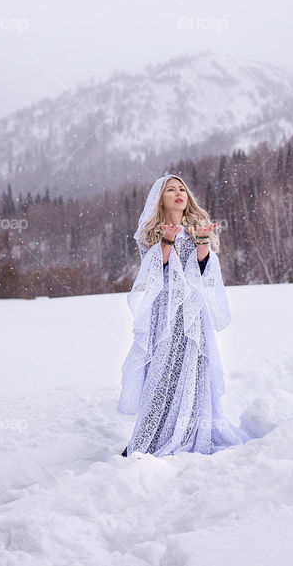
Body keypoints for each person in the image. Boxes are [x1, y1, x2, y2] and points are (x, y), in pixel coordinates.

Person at [118, 174, 250, 457]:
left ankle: (192, 432)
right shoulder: (149, 233)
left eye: (182, 189)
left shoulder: (196, 228)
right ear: (159, 199)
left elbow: (205, 275)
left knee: (195, 370)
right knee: (163, 372)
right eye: (170, 190)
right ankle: (148, 438)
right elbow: (155, 274)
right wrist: (166, 241)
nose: (179, 194)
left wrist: (202, 245)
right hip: (164, 315)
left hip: (193, 316)